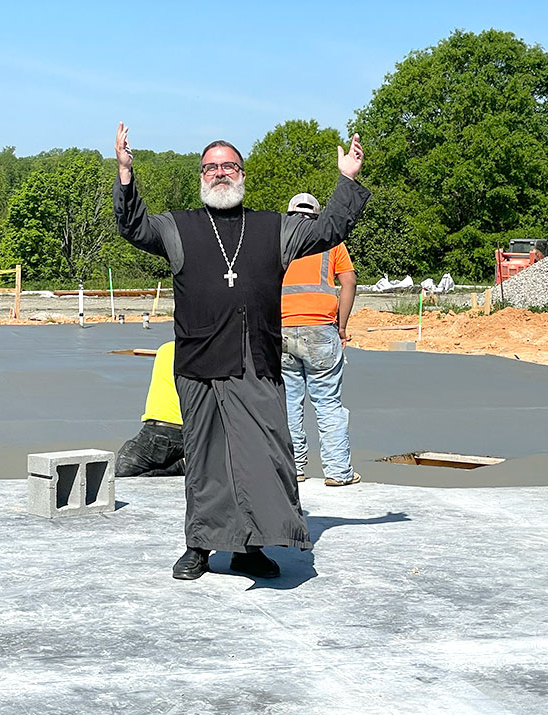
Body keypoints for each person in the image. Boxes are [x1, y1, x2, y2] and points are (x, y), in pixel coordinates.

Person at [112, 122, 369, 580]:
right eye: (210, 168)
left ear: (242, 174)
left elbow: (330, 229)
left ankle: (251, 548)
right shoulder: (178, 227)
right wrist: (126, 174)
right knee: (206, 461)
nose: (219, 173)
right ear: (200, 177)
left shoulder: (275, 228)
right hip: (201, 361)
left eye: (228, 165)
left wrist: (346, 179)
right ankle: (201, 546)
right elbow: (132, 226)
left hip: (257, 360)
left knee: (263, 458)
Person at [281, 192, 360, 487]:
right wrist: (342, 326)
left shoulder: (279, 241)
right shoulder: (331, 241)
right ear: (317, 215)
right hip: (321, 330)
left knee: (289, 404)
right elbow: (349, 281)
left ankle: (294, 469)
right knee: (327, 402)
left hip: (283, 329)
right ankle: (338, 472)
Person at [116, 341, 186, 477]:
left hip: (161, 430)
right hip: (192, 431)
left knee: (122, 473)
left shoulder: (167, 349)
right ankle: (181, 466)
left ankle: (180, 467)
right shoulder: (205, 355)